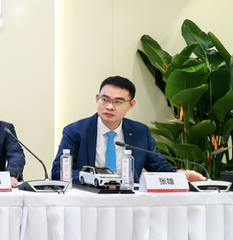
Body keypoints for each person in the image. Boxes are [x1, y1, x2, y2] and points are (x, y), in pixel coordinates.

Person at [51, 75, 206, 183]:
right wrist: (95, 177)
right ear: (97, 99)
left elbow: (158, 166)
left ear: (131, 105)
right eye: (104, 100)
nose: (109, 107)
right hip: (88, 199)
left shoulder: (140, 132)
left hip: (129, 201)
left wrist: (180, 174)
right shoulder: (76, 131)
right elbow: (58, 172)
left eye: (118, 102)